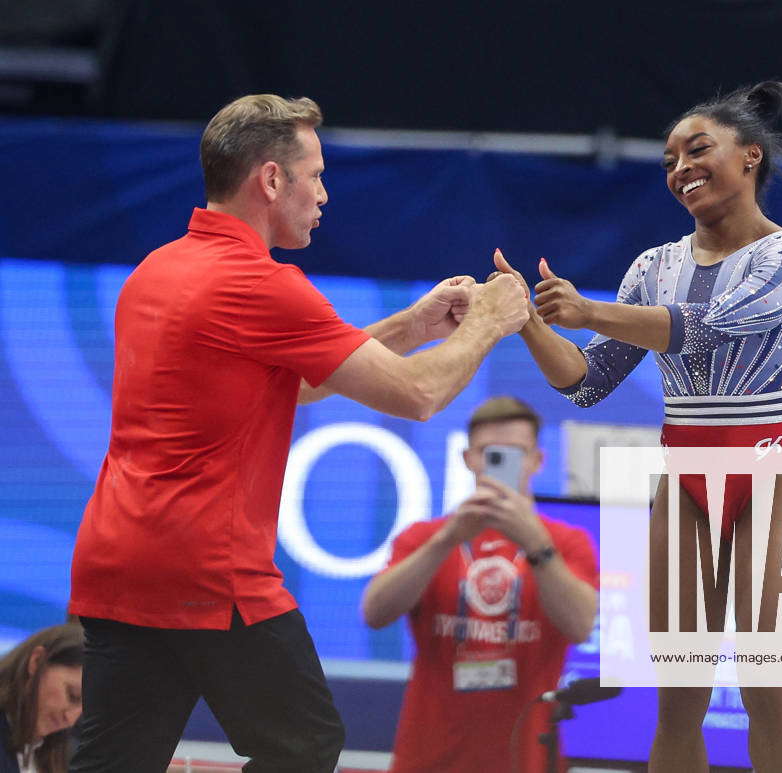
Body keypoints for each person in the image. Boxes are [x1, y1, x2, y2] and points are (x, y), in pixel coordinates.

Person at [67, 94, 529, 773]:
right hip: (208, 566)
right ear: (271, 180)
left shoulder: (155, 270)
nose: (324, 193)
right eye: (314, 173)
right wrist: (491, 320)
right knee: (306, 745)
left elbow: (294, 376)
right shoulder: (261, 283)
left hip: (116, 559)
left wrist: (409, 326)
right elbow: (419, 394)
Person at [493, 82, 782, 773]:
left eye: (697, 149)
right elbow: (586, 382)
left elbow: (705, 331)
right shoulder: (655, 267)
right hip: (684, 491)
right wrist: (523, 319)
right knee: (676, 701)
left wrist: (587, 311)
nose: (680, 167)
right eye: (670, 158)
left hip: (767, 482)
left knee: (766, 685)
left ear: (751, 157)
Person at [362, 396, 598, 773]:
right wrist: (445, 540)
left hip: (527, 758)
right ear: (468, 458)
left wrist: (537, 546)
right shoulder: (425, 536)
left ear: (537, 461)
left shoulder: (566, 542)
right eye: (491, 453)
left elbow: (580, 625)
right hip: (427, 757)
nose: (503, 464)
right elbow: (375, 613)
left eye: (515, 454)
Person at [0, 623, 84, 773]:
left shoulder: (62, 756)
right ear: (37, 661)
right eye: (72, 695)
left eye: (83, 713)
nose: (70, 719)